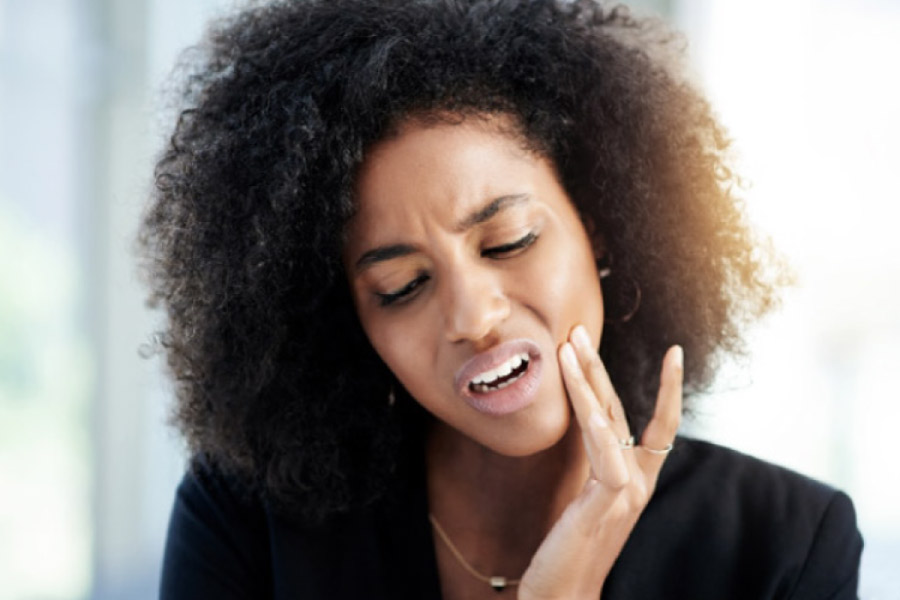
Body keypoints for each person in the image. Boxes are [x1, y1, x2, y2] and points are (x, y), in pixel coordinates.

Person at [142, 0, 863, 598]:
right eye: (402, 287)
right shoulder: (247, 519)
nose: (473, 317)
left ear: (599, 225)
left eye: (509, 241)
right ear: (349, 321)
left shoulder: (786, 546)